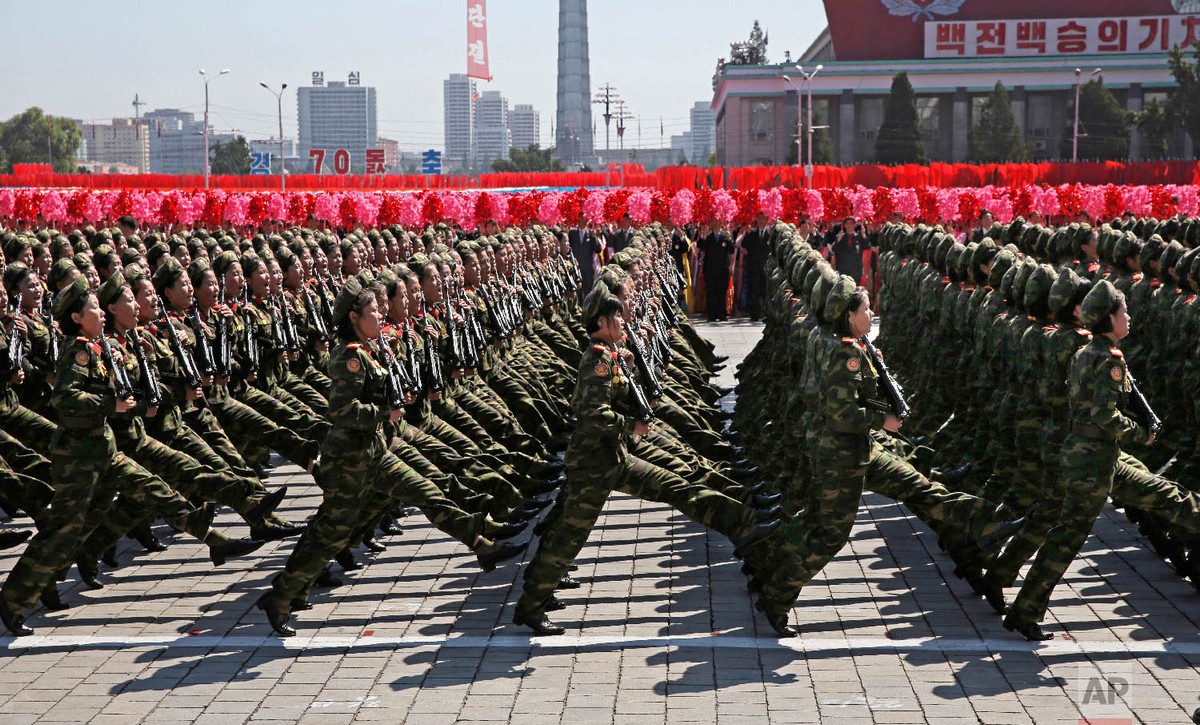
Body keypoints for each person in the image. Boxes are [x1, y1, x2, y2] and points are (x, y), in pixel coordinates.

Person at [512, 283, 780, 636]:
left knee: (669, 492)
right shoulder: (598, 359)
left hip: (609, 457)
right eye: (618, 317)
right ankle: (531, 605)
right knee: (569, 536)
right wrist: (630, 425)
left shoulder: (609, 354)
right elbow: (591, 413)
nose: (623, 322)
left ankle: (744, 524)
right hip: (597, 463)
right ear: (604, 322)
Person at [1004, 280, 1200, 640]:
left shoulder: (1089, 351)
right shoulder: (1106, 359)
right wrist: (1142, 434)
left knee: (1171, 498)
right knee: (1068, 537)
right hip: (1092, 461)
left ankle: (1023, 608)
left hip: (1098, 456)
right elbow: (1103, 414)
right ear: (1109, 318)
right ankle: (1024, 610)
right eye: (1123, 312)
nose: (1128, 317)